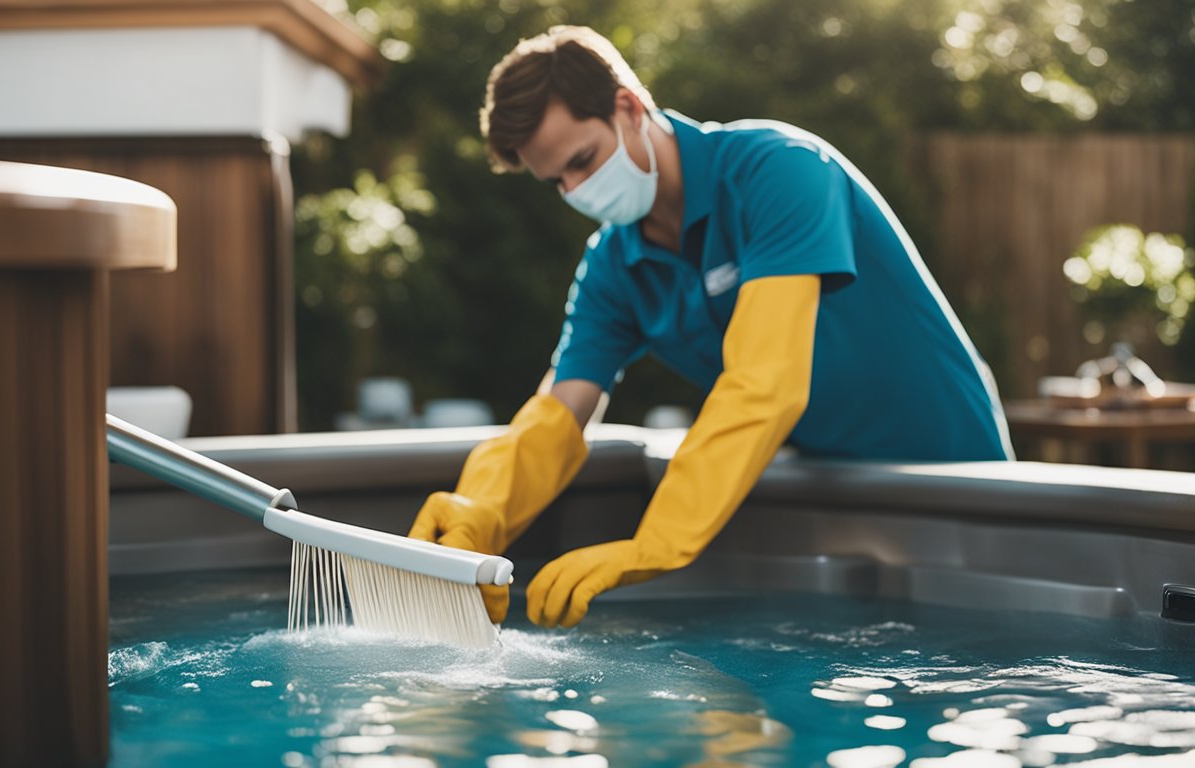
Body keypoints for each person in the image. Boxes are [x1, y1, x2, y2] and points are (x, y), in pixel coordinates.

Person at [408, 25, 1013, 630]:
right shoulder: (613, 268)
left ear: (629, 106)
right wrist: (482, 510)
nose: (576, 190)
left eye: (583, 161)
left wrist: (658, 541)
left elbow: (764, 381)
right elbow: (560, 411)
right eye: (556, 182)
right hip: (830, 494)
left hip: (956, 483)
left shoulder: (782, 172)